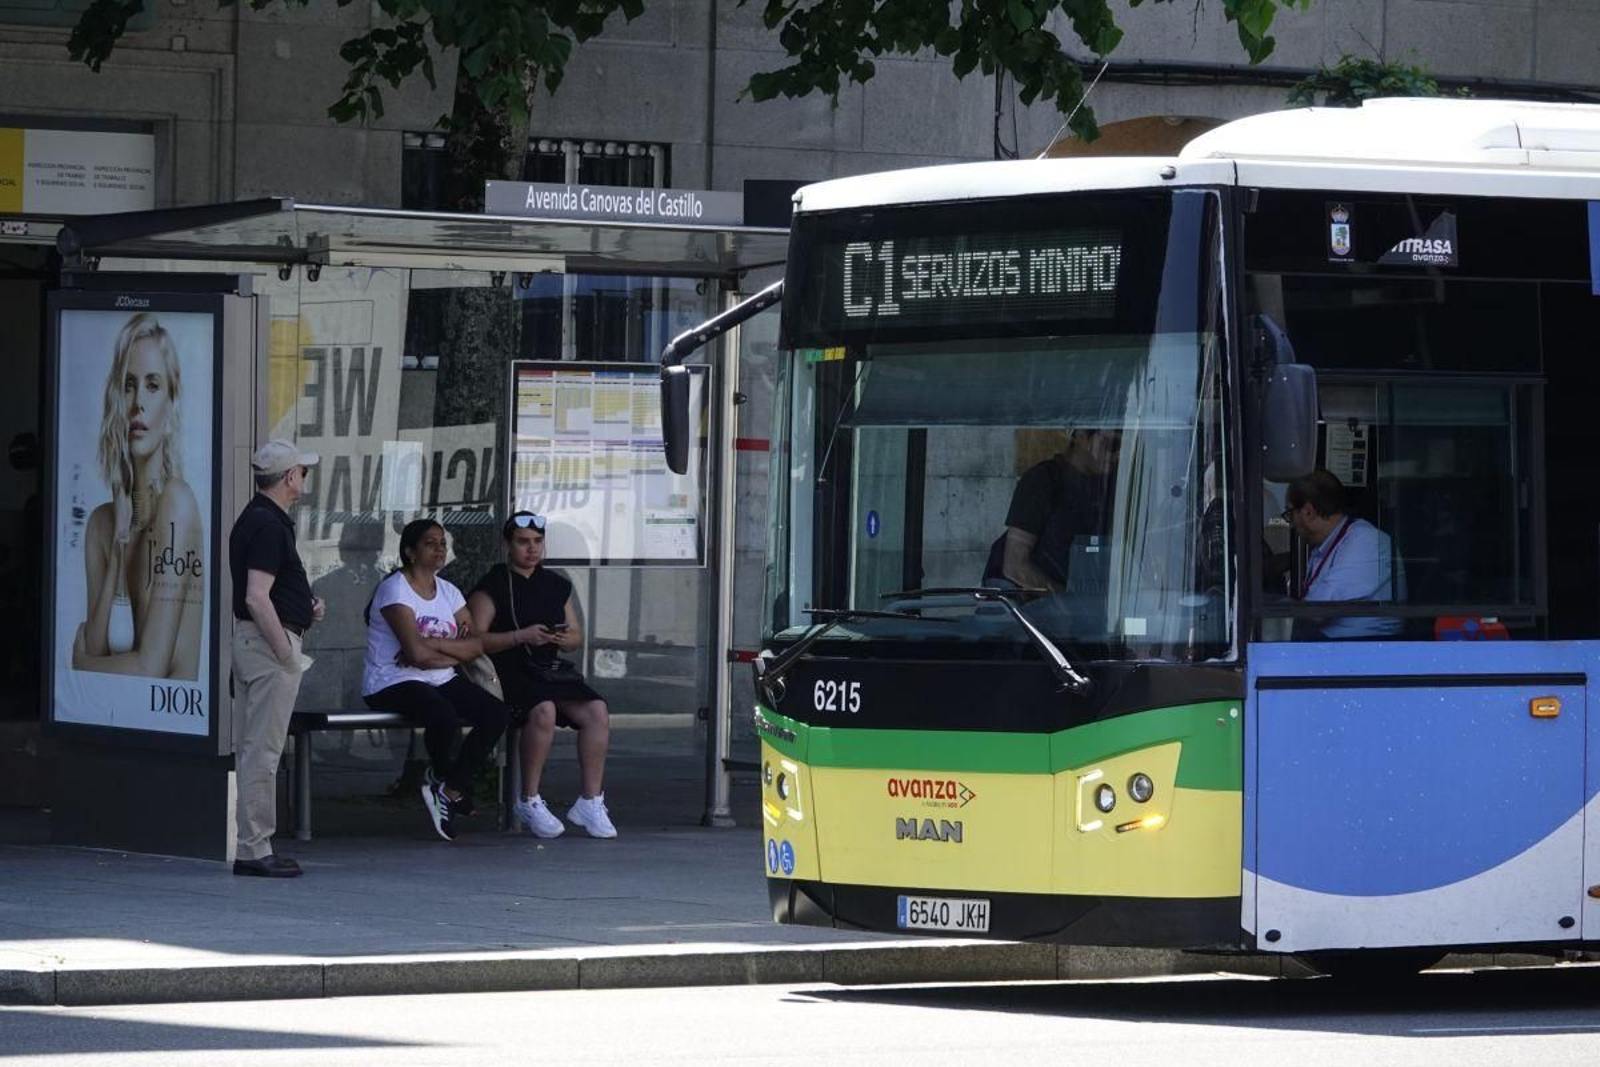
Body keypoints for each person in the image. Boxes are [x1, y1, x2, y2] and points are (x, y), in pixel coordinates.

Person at [468, 511, 616, 839]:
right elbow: (474, 640)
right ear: (507, 545)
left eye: (537, 542)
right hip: (509, 669)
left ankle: (591, 799)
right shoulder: (492, 585)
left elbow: (577, 634)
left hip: (548, 669)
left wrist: (563, 639)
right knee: (544, 709)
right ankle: (529, 798)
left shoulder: (556, 584)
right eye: (523, 542)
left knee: (597, 711)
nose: (531, 549)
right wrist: (520, 636)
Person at [72, 314, 204, 679]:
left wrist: (82, 663)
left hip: (170, 729)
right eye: (129, 385)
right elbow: (99, 645)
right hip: (115, 719)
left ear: (171, 400)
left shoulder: (177, 503)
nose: (138, 405)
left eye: (153, 385)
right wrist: (118, 548)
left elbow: (148, 668)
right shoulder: (101, 523)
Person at [362, 518, 509, 841]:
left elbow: (475, 647)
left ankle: (450, 787)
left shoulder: (450, 592)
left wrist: (436, 645)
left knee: (496, 714)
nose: (440, 549)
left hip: (440, 678)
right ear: (410, 552)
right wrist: (446, 650)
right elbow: (415, 656)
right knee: (441, 714)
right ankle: (444, 779)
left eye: (443, 542)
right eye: (430, 543)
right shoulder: (394, 590)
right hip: (392, 680)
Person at [228, 438, 324, 878]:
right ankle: (254, 848)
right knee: (263, 751)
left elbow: (265, 593)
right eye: (302, 472)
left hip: (259, 644)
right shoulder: (268, 524)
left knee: (257, 749)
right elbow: (256, 597)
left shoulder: (258, 519)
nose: (304, 478)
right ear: (289, 477)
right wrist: (286, 653)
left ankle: (254, 846)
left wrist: (305, 605)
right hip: (268, 648)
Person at [982, 428, 1121, 590]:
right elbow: (1015, 565)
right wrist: (1065, 599)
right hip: (1030, 604)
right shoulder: (1043, 481)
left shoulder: (1112, 488)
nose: (1118, 454)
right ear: (1082, 437)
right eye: (1113, 444)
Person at [1282, 468, 1402, 639]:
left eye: (1289, 514)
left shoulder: (1364, 541)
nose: (1291, 524)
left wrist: (1273, 605)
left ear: (1308, 512)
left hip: (1363, 652)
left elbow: (1316, 611)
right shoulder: (1326, 547)